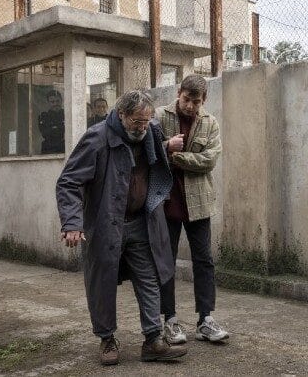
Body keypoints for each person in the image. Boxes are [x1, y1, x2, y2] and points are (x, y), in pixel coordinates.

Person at [56, 90, 188, 366]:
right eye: (137, 121)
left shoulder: (150, 133)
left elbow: (155, 161)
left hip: (142, 222)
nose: (142, 127)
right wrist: (72, 222)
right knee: (102, 283)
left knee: (149, 278)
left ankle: (153, 339)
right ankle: (106, 338)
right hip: (107, 224)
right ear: (121, 114)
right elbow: (68, 181)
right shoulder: (97, 138)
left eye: (146, 120)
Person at [155, 74, 228, 344]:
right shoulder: (160, 117)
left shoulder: (210, 123)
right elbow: (147, 152)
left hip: (199, 203)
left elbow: (209, 160)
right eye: (186, 99)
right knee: (166, 262)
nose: (190, 106)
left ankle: (205, 320)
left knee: (204, 260)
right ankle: (170, 320)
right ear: (179, 92)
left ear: (203, 100)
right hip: (166, 202)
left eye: (195, 102)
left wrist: (177, 157)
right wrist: (166, 146)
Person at [38, 89, 65, 154]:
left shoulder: (66, 114)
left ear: (61, 101)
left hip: (64, 147)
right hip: (48, 149)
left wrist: (54, 127)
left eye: (57, 101)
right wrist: (60, 127)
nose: (55, 104)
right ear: (48, 103)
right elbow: (45, 133)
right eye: (52, 102)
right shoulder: (44, 116)